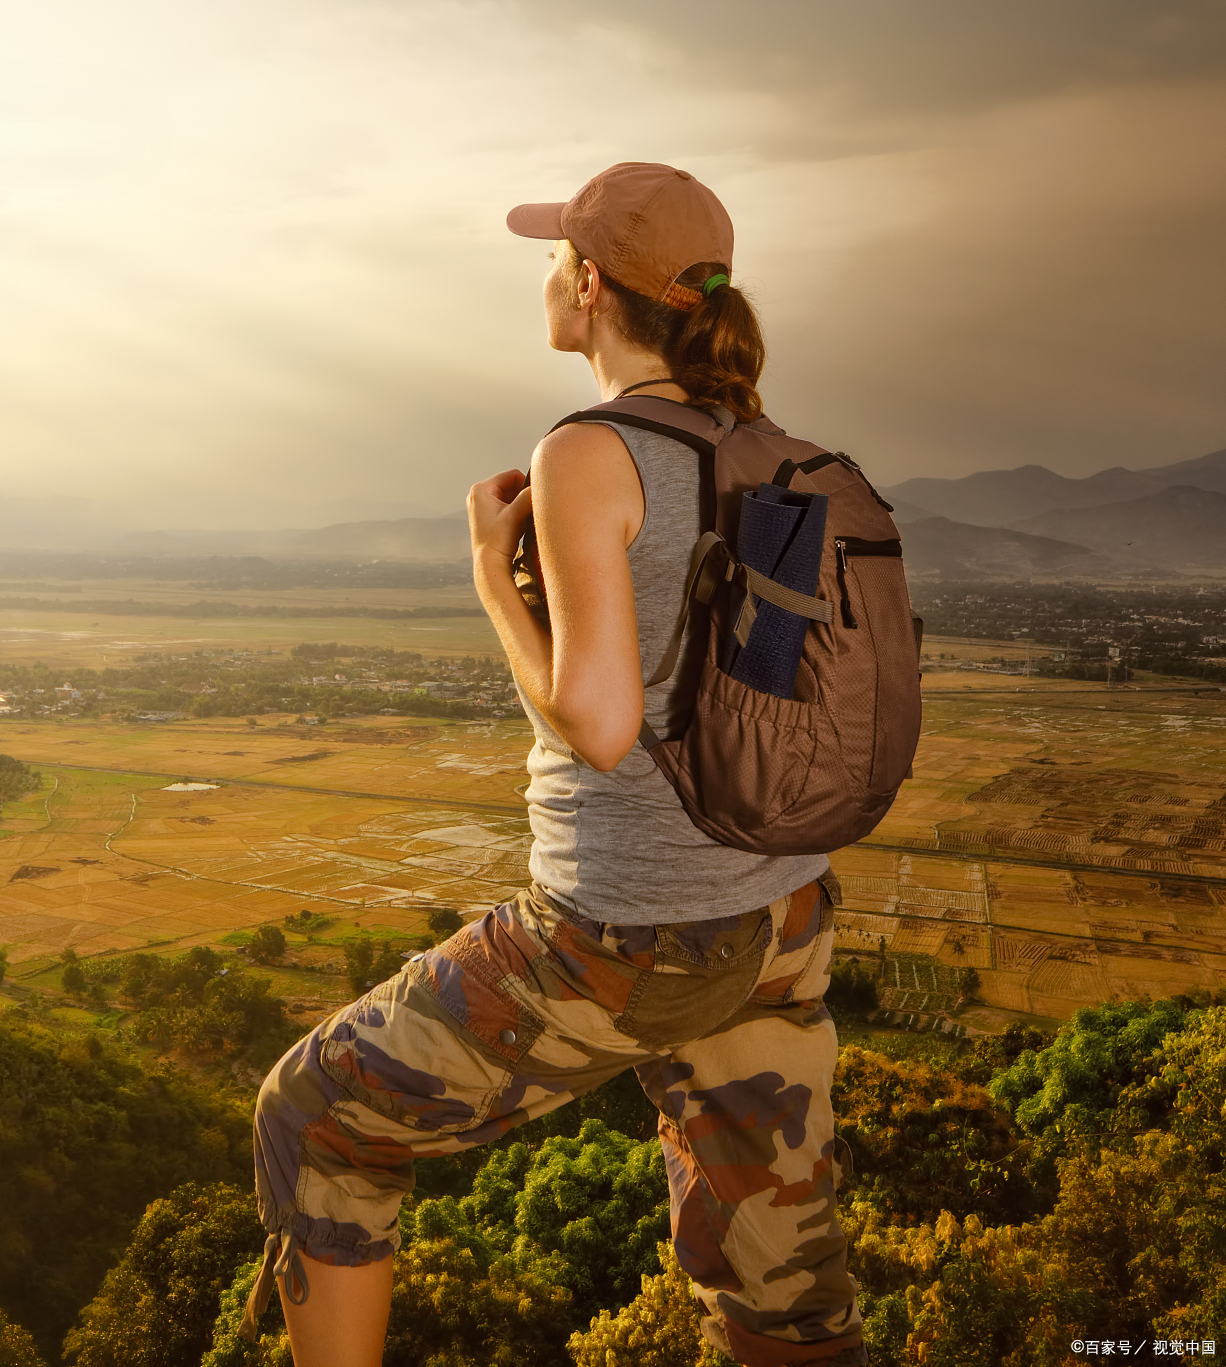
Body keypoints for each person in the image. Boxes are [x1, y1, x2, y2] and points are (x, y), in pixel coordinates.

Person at [246, 163, 866, 1367]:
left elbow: (599, 721)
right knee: (779, 1275)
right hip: (780, 914)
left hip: (632, 931)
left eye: (552, 259)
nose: (544, 276)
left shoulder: (589, 449)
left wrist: (490, 574)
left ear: (588, 287)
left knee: (314, 1117)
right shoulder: (763, 448)